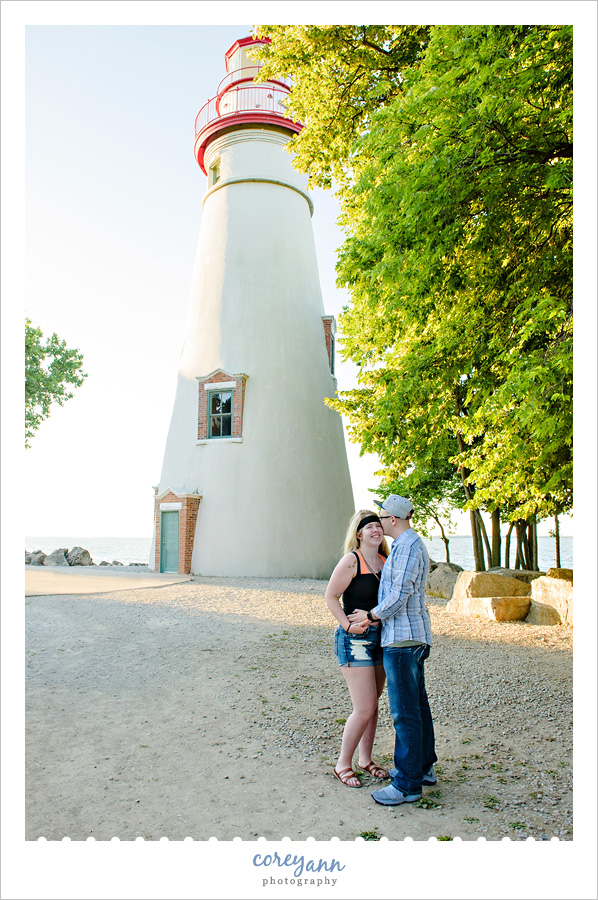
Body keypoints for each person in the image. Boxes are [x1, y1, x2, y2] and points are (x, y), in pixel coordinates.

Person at [348, 494, 437, 806]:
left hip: (403, 640)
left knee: (404, 713)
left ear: (393, 521)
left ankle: (407, 785)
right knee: (417, 706)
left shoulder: (408, 548)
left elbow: (398, 595)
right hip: (408, 637)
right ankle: (423, 768)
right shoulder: (405, 546)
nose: (379, 522)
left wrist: (370, 615)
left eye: (382, 517)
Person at [324, 510, 390, 788]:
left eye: (378, 525)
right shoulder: (352, 561)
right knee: (363, 707)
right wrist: (348, 626)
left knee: (372, 708)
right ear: (359, 534)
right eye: (370, 527)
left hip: (381, 640)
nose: (376, 530)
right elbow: (330, 596)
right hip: (355, 642)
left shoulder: (386, 561)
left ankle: (365, 759)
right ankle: (342, 764)